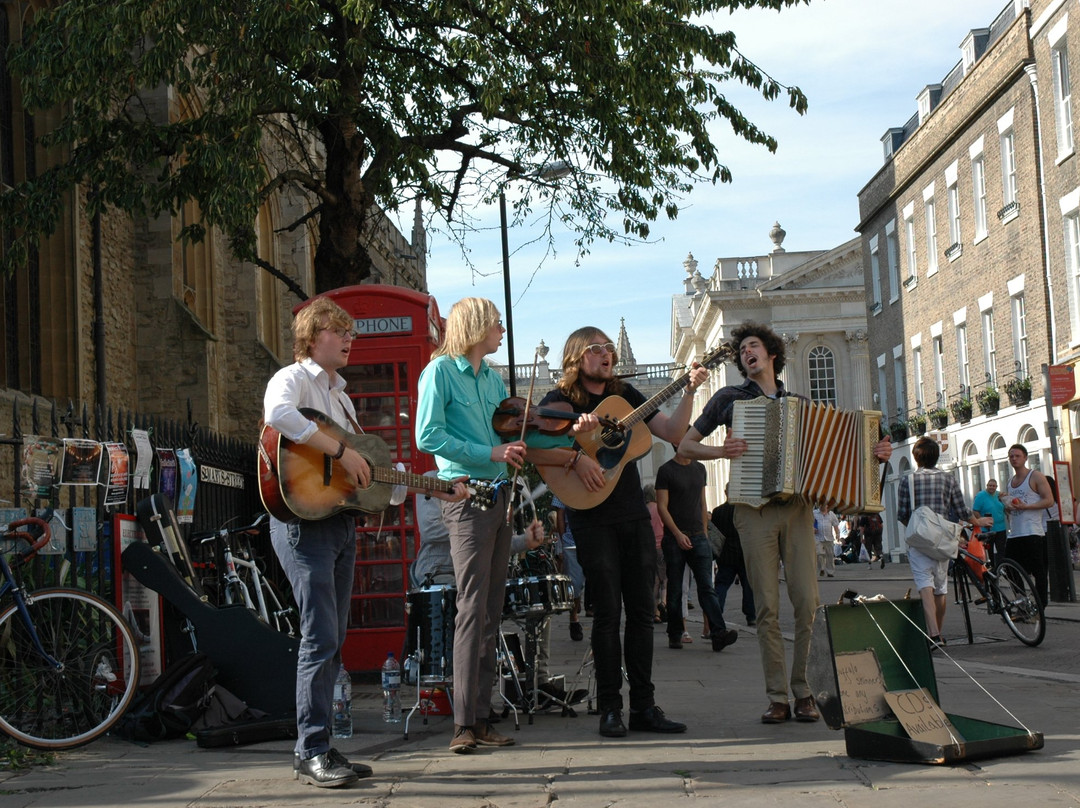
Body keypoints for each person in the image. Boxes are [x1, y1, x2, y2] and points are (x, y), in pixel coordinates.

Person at [263, 297, 466, 787]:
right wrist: (338, 450)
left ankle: (322, 748)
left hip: (339, 522)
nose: (350, 339)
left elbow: (373, 482)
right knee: (320, 636)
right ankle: (310, 749)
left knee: (334, 641)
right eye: (339, 331)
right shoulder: (292, 378)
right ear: (312, 338)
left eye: (351, 332)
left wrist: (431, 485)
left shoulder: (344, 399)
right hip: (300, 523)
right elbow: (278, 415)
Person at [678, 321, 892, 725]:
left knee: (808, 603)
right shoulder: (728, 399)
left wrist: (876, 455)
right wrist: (720, 451)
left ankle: (804, 691)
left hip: (796, 510)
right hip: (752, 511)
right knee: (767, 608)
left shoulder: (801, 406)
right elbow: (686, 444)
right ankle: (778, 696)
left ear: (772, 353)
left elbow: (836, 464)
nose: (746, 353)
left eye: (753, 346)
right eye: (741, 350)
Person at [527, 327, 708, 738]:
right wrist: (575, 459)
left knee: (643, 613)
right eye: (596, 349)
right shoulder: (559, 402)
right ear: (576, 356)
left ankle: (644, 705)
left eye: (609, 348)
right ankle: (611, 707)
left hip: (631, 513)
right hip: (591, 516)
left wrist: (692, 390)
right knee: (607, 613)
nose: (606, 354)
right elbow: (531, 448)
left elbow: (674, 433)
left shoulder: (625, 395)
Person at [415, 297, 525, 754]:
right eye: (496, 322)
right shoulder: (439, 372)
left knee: (491, 609)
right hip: (465, 498)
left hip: (499, 497)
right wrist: (491, 454)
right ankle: (462, 723)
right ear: (476, 326)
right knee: (471, 605)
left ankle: (481, 719)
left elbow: (508, 429)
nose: (502, 328)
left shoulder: (494, 379)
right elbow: (428, 435)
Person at [897, 437, 992, 647]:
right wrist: (977, 521)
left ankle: (933, 634)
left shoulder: (908, 481)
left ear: (916, 457)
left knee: (925, 586)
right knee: (940, 588)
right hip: (942, 541)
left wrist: (917, 529)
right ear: (936, 457)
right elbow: (961, 510)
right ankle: (938, 632)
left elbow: (902, 513)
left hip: (919, 542)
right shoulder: (948, 479)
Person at [655, 446, 738, 652]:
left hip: (698, 537)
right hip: (674, 539)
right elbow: (662, 507)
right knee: (675, 589)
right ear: (679, 445)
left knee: (706, 587)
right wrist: (677, 534)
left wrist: (704, 534)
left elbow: (702, 503)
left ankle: (718, 632)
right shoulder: (666, 471)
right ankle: (675, 634)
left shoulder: (700, 469)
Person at [1004, 444, 1056, 610]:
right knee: (1008, 568)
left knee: (1038, 572)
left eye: (1017, 456)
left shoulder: (1035, 476)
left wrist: (1027, 506)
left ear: (1025, 457)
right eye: (1011, 456)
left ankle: (1040, 606)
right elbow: (1009, 509)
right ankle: (1023, 600)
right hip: (1015, 533)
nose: (1014, 459)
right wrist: (1007, 506)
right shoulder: (1010, 483)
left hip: (1033, 531)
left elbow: (1049, 500)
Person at [710, 503, 756, 626]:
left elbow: (714, 533)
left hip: (726, 555)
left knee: (721, 585)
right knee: (748, 586)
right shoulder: (746, 510)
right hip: (743, 553)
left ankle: (717, 611)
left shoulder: (718, 511)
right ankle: (751, 615)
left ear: (726, 493)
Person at [551, 494, 586, 641]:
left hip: (593, 539)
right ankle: (574, 618)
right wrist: (563, 537)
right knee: (575, 585)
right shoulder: (563, 484)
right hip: (572, 542)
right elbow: (560, 512)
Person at [644, 484, 668, 624]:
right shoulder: (661, 508)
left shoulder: (644, 510)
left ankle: (655, 613)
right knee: (665, 579)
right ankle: (663, 604)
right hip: (662, 547)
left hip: (649, 548)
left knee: (654, 582)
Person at [971, 479, 1008, 569]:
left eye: (994, 486)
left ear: (996, 487)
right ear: (987, 486)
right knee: (989, 550)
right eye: (990, 485)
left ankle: (1001, 567)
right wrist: (981, 521)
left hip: (1001, 527)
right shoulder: (981, 496)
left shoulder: (999, 495)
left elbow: (1006, 507)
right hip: (987, 529)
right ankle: (991, 568)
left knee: (1001, 549)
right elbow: (975, 510)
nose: (992, 487)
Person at [813, 507, 839, 578]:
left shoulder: (831, 514)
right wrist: (812, 528)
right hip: (817, 537)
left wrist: (837, 534)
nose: (823, 506)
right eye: (821, 504)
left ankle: (830, 572)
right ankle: (821, 568)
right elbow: (809, 522)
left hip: (829, 537)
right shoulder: (814, 513)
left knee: (830, 555)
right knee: (818, 553)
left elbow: (835, 525)